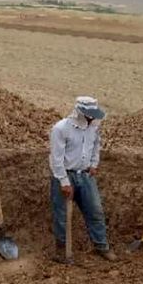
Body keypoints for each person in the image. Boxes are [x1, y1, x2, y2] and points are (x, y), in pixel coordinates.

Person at [49, 96, 115, 262]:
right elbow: (56, 158)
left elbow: (95, 147)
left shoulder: (94, 127)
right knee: (62, 215)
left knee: (95, 211)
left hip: (85, 175)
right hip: (65, 174)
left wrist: (94, 164)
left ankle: (101, 246)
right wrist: (64, 182)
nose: (91, 117)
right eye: (88, 114)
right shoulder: (61, 128)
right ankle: (62, 251)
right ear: (79, 112)